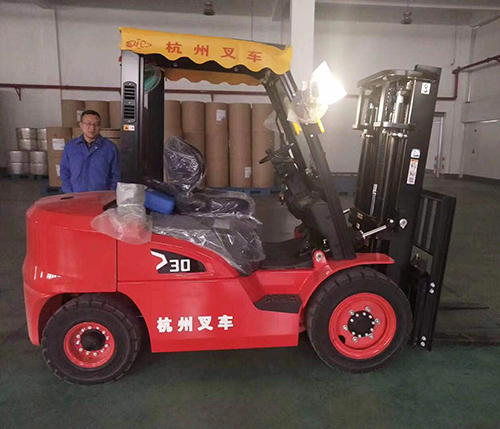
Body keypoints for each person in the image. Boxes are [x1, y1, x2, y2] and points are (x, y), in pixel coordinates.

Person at [60, 110, 120, 193]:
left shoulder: (110, 148)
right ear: (81, 125)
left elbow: (116, 174)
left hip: (101, 196)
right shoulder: (70, 147)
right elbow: (64, 171)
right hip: (76, 195)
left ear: (100, 127)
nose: (92, 128)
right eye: (88, 124)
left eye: (96, 124)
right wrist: (69, 192)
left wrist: (110, 193)